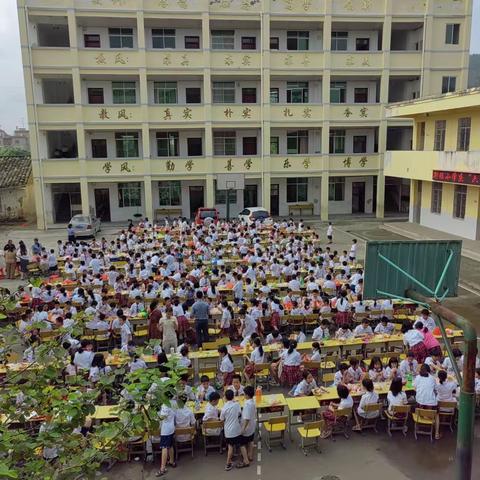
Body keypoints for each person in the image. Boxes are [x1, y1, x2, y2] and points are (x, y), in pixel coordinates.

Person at [220, 389, 250, 470]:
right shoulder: (236, 405)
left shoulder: (224, 408)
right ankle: (246, 460)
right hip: (237, 430)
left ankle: (228, 464)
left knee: (230, 447)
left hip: (228, 432)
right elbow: (239, 413)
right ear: (233, 396)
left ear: (225, 397)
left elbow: (221, 419)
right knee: (241, 445)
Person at [414, 364, 440, 439]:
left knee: (418, 406)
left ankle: (419, 424)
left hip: (420, 404)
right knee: (437, 415)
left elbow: (415, 388)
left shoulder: (418, 377)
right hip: (431, 405)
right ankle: (437, 433)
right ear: (429, 370)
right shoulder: (432, 378)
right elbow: (435, 389)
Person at [156, 391, 177, 477]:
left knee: (164, 447)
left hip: (166, 429)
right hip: (172, 426)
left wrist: (156, 414)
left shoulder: (165, 405)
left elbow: (162, 417)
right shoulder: (174, 402)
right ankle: (171, 461)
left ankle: (162, 468)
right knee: (170, 445)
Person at [241, 385, 257, 462]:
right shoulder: (253, 401)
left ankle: (245, 459)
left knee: (242, 444)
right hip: (252, 425)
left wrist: (243, 429)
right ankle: (250, 455)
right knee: (251, 440)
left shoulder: (247, 405)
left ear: (247, 395)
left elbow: (246, 419)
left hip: (247, 426)